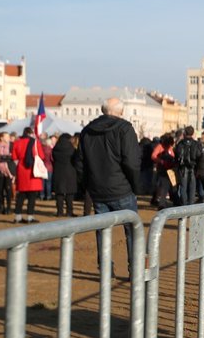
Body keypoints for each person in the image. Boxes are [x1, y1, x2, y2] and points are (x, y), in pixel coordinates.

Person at [76, 97, 142, 278]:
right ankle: (135, 270)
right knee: (132, 230)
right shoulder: (124, 128)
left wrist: (86, 187)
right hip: (121, 188)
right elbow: (132, 162)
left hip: (98, 190)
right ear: (120, 112)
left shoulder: (87, 130)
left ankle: (106, 270)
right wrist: (135, 185)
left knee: (103, 231)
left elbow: (80, 163)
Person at [11, 127, 44, 223]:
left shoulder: (17, 142)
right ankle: (30, 216)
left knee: (21, 195)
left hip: (21, 170)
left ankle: (18, 216)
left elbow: (14, 157)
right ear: (31, 133)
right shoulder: (35, 142)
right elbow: (41, 156)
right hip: (33, 170)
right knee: (32, 196)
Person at [51, 132, 79, 217]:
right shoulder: (72, 149)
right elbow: (76, 161)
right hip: (70, 173)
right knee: (69, 194)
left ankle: (60, 212)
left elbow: (53, 160)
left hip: (58, 173)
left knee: (59, 194)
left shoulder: (55, 149)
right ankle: (69, 212)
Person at [174, 126, 202, 205]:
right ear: (193, 133)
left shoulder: (180, 143)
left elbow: (176, 155)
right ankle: (190, 205)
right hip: (193, 167)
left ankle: (184, 204)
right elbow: (200, 155)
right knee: (192, 188)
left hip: (183, 168)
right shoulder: (196, 144)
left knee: (183, 187)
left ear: (185, 133)